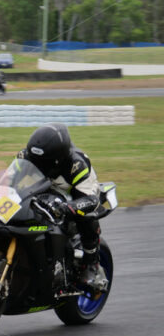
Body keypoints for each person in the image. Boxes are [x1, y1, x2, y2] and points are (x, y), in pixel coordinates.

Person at [18, 124, 108, 292]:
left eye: (43, 162)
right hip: (44, 191)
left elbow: (92, 199)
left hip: (75, 194)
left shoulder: (77, 165)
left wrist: (69, 207)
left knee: (85, 215)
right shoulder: (27, 156)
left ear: (57, 159)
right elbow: (7, 182)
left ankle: (92, 264)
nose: (38, 165)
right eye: (35, 160)